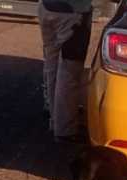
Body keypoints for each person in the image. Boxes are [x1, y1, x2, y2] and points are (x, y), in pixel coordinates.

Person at [38, 0, 93, 143]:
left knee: (52, 64)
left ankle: (55, 118)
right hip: (72, 14)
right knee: (70, 71)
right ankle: (65, 130)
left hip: (46, 7)